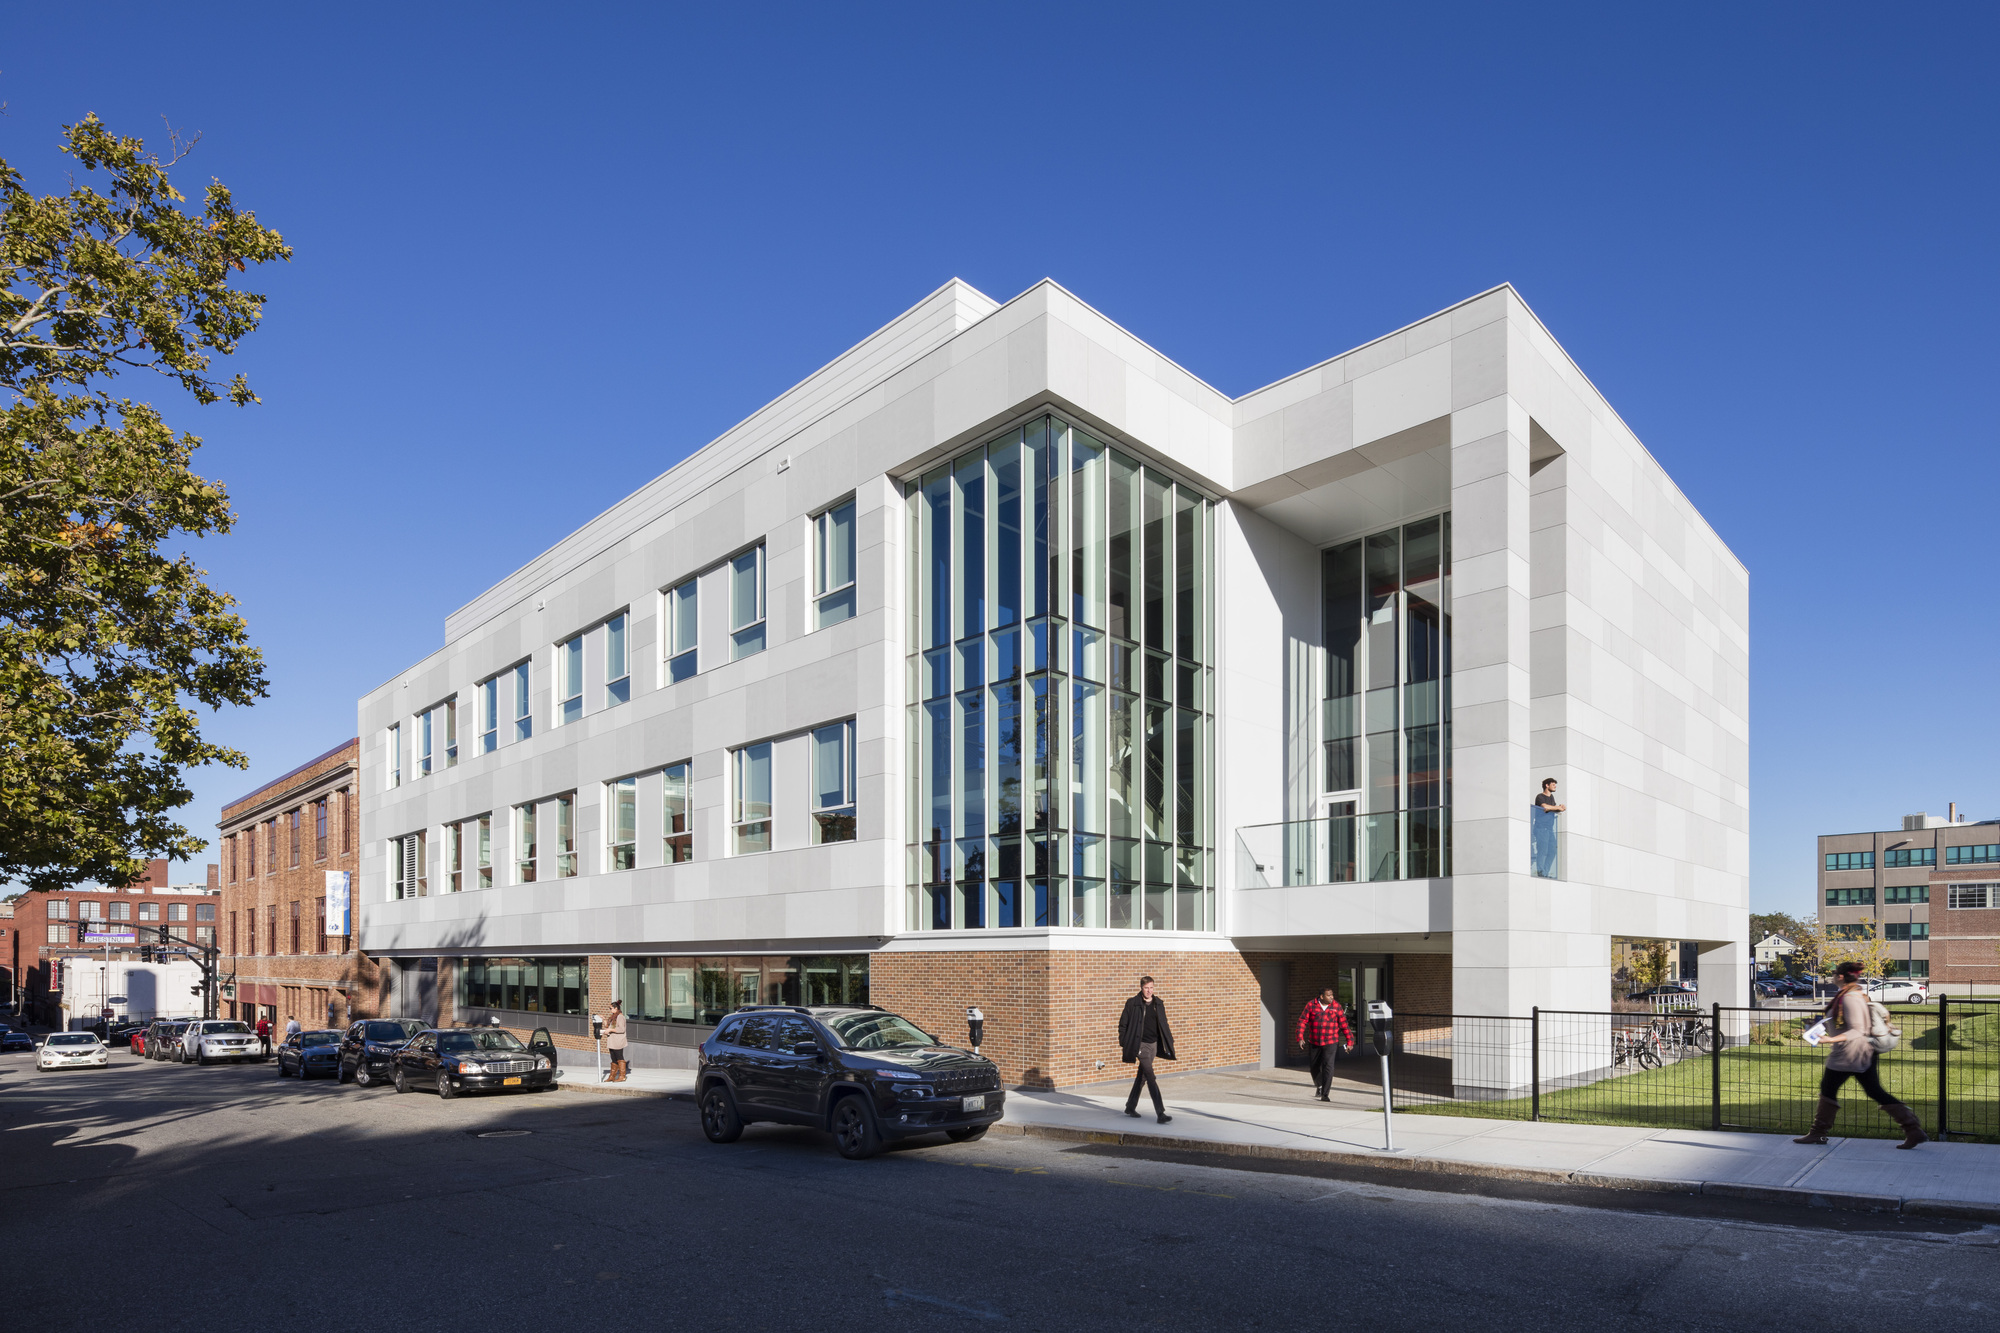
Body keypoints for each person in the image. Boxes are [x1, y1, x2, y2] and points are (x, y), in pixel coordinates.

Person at [1794, 959, 1925, 1149]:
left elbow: (1858, 1029)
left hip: (1851, 1054)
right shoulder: (1849, 994)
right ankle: (1914, 1130)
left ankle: (1818, 1133)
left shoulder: (1849, 997)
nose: (1832, 977)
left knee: (1830, 1089)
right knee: (1873, 1091)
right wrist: (1816, 1025)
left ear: (1840, 976)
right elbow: (1844, 1023)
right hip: (1856, 1053)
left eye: (1834, 974)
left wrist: (1829, 1040)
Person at [1116, 976, 1174, 1124]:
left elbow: (1164, 1024)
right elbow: (1123, 1025)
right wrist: (1126, 1043)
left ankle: (1130, 1106)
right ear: (1141, 988)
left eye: (1151, 988)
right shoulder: (1132, 1003)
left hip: (1153, 1045)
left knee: (1142, 1077)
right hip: (1140, 1045)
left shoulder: (1158, 1003)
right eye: (1146, 988)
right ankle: (1160, 1113)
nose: (1149, 991)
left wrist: (1169, 1041)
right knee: (1151, 1077)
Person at [1295, 986, 1354, 1101]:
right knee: (1314, 1067)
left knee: (1328, 1067)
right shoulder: (1311, 1005)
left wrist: (1350, 1041)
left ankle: (1325, 1094)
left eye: (1332, 995)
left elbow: (1344, 1025)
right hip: (1315, 1041)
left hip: (1331, 1042)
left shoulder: (1336, 1006)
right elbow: (1302, 1021)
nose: (1332, 997)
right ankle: (1320, 1085)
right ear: (1322, 996)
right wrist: (1300, 1037)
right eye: (1329, 995)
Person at [1531, 778, 1565, 878]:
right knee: (1543, 850)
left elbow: (1552, 808)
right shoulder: (1540, 796)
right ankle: (1541, 872)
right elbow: (1545, 807)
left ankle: (1545, 872)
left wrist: (1560, 807)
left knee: (1553, 851)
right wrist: (1557, 807)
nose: (1555, 786)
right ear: (1547, 785)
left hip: (1549, 829)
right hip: (1541, 828)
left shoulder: (1551, 797)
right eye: (1553, 784)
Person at [605, 1000, 628, 1083]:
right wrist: (604, 1019)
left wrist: (610, 1029)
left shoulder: (620, 1017)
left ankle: (622, 1076)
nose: (610, 1010)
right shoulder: (613, 1017)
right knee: (613, 1059)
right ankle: (612, 1076)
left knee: (619, 1058)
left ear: (616, 1008)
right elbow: (609, 1026)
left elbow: (621, 1029)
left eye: (610, 1008)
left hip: (618, 1041)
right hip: (612, 1041)